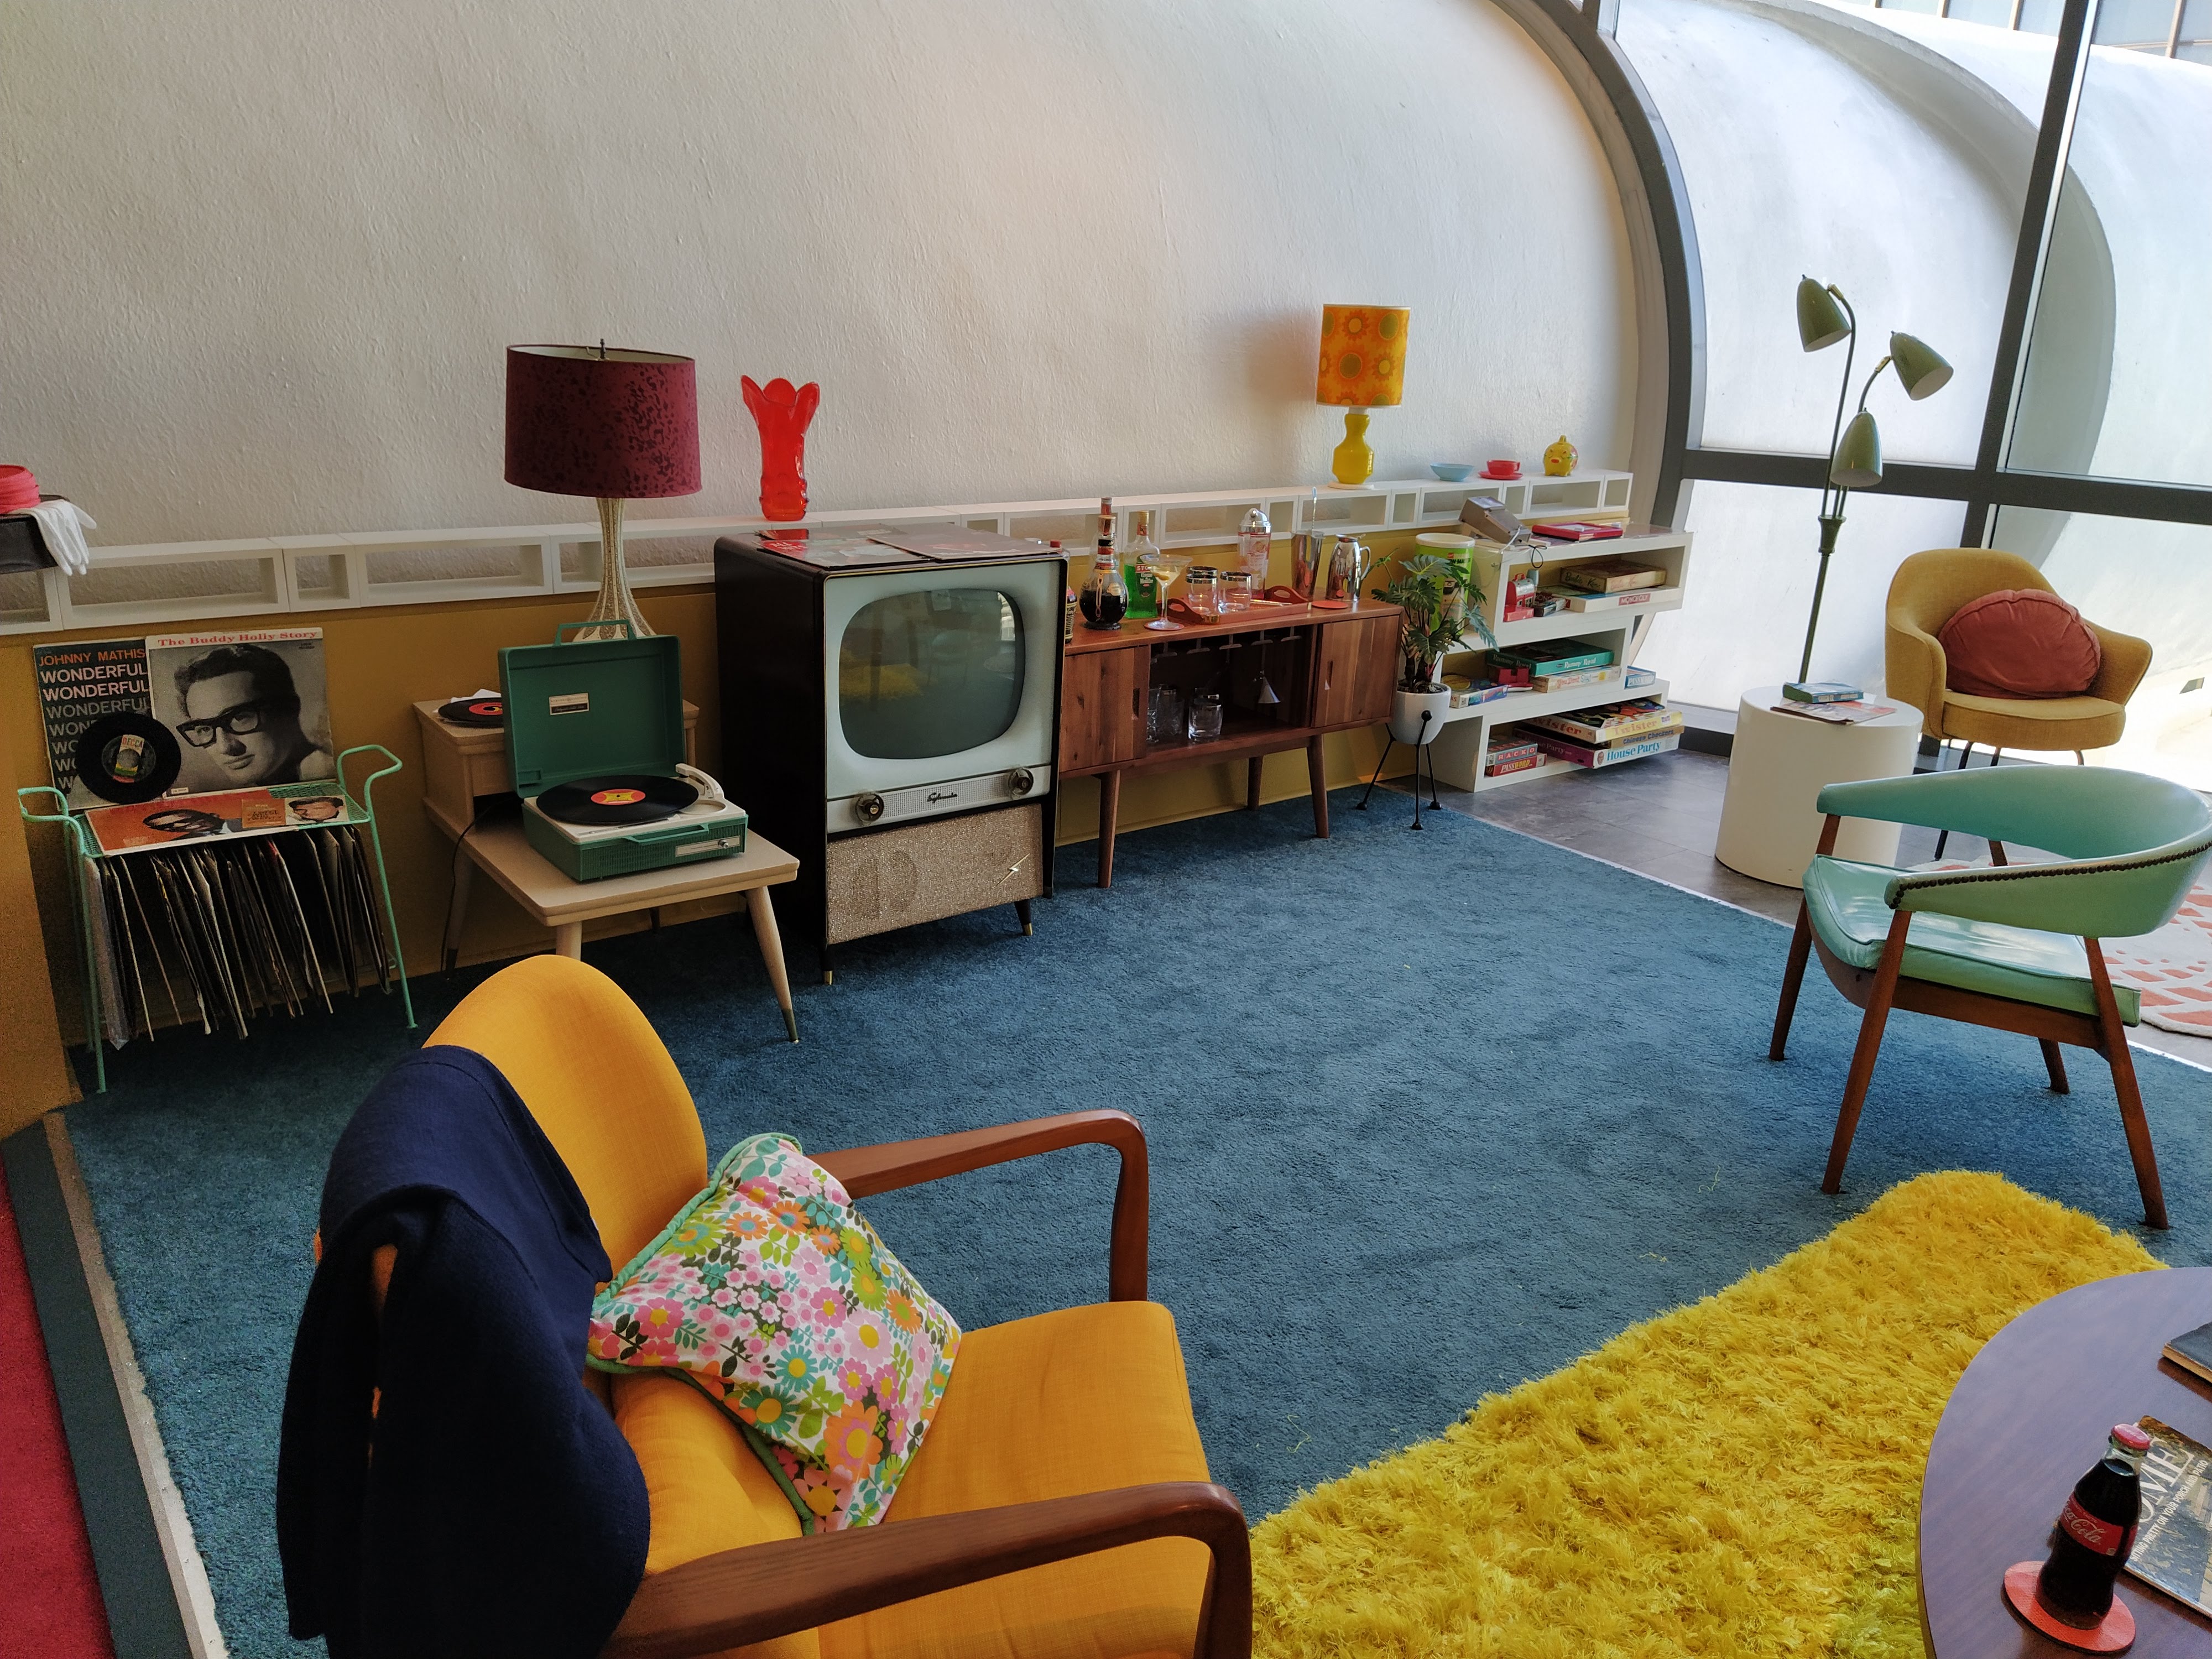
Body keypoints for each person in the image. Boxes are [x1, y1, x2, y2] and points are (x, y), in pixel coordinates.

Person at [171, 644, 333, 789]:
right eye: (205, 729)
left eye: (240, 718)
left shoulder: (330, 774)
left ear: (288, 709)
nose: (225, 748)